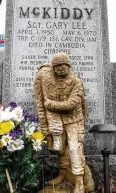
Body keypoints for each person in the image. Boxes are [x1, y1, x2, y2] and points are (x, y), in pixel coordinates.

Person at [34, 53, 94, 193]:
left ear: (69, 66)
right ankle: (62, 175)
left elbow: (72, 104)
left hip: (74, 121)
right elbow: (41, 105)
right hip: (57, 120)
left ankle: (79, 182)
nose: (60, 70)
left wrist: (51, 105)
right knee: (59, 149)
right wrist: (45, 127)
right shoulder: (47, 78)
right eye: (57, 67)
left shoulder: (76, 82)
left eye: (63, 66)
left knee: (74, 150)